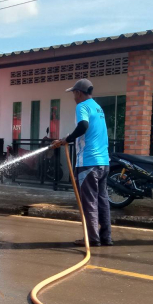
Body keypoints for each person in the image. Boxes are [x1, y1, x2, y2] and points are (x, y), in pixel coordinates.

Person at [52, 79, 112, 247]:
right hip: (104, 163)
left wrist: (67, 139)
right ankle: (106, 237)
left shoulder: (82, 106)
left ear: (78, 92)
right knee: (102, 201)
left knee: (89, 202)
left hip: (88, 163)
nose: (73, 97)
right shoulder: (98, 108)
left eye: (73, 93)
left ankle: (93, 238)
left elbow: (83, 126)